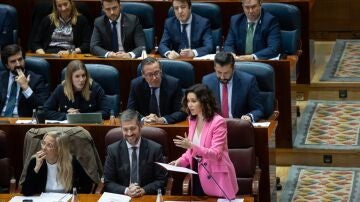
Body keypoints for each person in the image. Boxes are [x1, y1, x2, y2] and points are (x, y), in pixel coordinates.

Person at [170, 84, 238, 199]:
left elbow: (216, 153)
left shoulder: (218, 122)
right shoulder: (192, 120)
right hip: (197, 173)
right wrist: (179, 161)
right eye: (188, 101)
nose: (189, 105)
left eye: (193, 101)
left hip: (216, 176)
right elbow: (190, 151)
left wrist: (191, 145)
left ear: (203, 101)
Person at [103, 109, 167, 197]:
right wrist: (126, 191)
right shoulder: (113, 150)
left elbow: (161, 180)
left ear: (141, 126)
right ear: (121, 129)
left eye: (132, 129)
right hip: (122, 197)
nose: (129, 133)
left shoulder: (155, 149)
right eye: (125, 129)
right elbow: (108, 182)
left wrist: (143, 190)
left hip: (146, 197)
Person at [21, 131, 93, 196]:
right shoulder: (35, 161)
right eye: (43, 143)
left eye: (49, 145)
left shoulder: (71, 162)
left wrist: (73, 197)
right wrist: (36, 168)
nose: (44, 148)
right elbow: (26, 192)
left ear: (59, 150)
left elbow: (87, 186)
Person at [202, 52, 263, 122]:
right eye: (219, 72)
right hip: (216, 127)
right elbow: (204, 108)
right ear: (214, 68)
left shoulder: (248, 81)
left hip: (238, 126)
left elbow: (258, 110)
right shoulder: (207, 81)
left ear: (234, 68)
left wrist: (249, 117)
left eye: (226, 73)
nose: (222, 77)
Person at [44, 60, 111, 120]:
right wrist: (67, 116)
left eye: (83, 75)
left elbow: (106, 112)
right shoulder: (61, 89)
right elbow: (45, 111)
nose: (81, 80)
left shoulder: (94, 88)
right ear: (70, 78)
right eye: (77, 76)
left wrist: (81, 116)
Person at [127, 57, 187, 124]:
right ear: (143, 75)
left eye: (157, 73)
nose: (154, 78)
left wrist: (162, 120)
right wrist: (143, 119)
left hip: (167, 126)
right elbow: (130, 111)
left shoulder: (174, 84)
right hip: (145, 127)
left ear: (161, 71)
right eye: (150, 74)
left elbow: (182, 111)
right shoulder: (136, 85)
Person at [0, 44, 49, 117]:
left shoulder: (36, 79)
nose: (18, 64)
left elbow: (42, 107)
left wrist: (26, 88)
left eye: (20, 59)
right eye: (13, 61)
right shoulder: (1, 77)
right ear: (7, 65)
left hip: (22, 121)